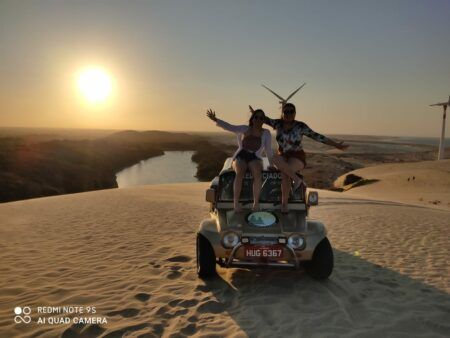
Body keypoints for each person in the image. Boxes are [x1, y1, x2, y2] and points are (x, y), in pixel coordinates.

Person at [263, 103, 348, 213]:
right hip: (282, 155)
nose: (288, 114)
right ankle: (297, 180)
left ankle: (284, 203)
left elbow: (317, 136)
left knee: (285, 173)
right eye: (286, 112)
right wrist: (255, 113)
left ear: (295, 113)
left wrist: (336, 144)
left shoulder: (300, 126)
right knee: (274, 158)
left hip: (297, 155)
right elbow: (263, 119)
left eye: (291, 111)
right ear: (282, 113)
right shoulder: (277, 124)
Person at [206, 108, 274, 212]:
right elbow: (230, 127)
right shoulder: (244, 129)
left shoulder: (266, 133)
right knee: (239, 173)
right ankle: (236, 203)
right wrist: (215, 119)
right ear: (252, 119)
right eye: (256, 117)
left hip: (254, 157)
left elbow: (268, 150)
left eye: (261, 118)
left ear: (264, 120)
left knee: (257, 174)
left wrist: (271, 164)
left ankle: (256, 204)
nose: (258, 119)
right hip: (241, 155)